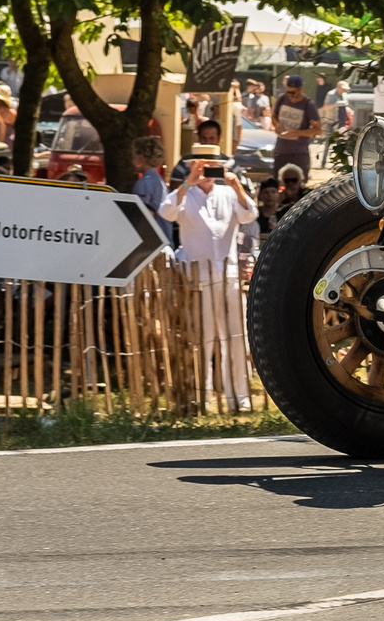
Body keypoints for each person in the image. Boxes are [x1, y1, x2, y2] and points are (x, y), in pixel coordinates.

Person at [158, 146, 259, 411]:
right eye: (201, 166)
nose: (206, 172)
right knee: (201, 338)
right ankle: (201, 397)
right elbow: (165, 212)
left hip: (228, 276)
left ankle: (239, 398)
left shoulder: (228, 193)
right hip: (197, 279)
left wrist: (235, 185)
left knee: (235, 338)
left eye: (211, 166)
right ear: (191, 167)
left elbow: (250, 214)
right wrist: (188, 183)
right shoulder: (185, 196)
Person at [269, 74, 322, 172]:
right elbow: (273, 115)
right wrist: (276, 124)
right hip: (281, 151)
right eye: (288, 92)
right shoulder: (282, 99)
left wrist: (296, 133)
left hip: (299, 153)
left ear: (300, 89)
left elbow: (317, 130)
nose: (290, 95)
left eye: (293, 92)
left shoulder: (308, 105)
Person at [130, 136, 177, 244]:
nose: (132, 161)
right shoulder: (159, 181)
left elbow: (145, 214)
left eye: (133, 157)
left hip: (153, 244)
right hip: (165, 239)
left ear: (141, 159)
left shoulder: (145, 182)